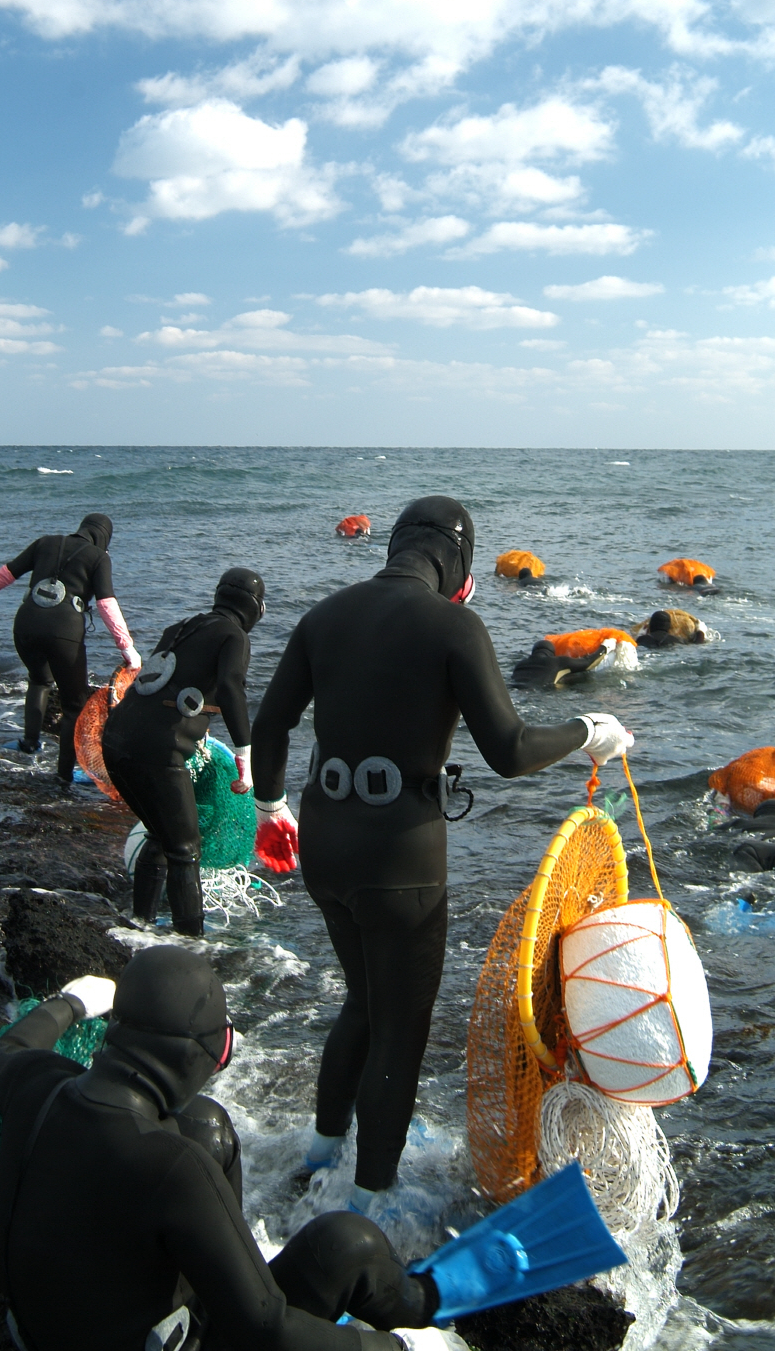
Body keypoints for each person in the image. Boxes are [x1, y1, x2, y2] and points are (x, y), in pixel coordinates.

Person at [250, 496, 634, 1209]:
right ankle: (365, 1207)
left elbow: (270, 723)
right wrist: (589, 728)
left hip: (324, 843)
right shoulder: (454, 624)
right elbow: (510, 751)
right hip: (400, 854)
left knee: (360, 1003)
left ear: (393, 546)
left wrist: (271, 811)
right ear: (457, 562)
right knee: (399, 1027)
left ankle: (317, 1157)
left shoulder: (324, 616)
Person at [0, 945, 488, 1351]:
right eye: (221, 1052)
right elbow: (266, 1333)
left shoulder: (34, 1084)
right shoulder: (173, 1168)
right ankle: (426, 1312)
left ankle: (233, 1276)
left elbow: (3, 1052)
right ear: (195, 1054)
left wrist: (72, 1002)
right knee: (347, 1247)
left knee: (205, 1122)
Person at [100, 568, 262, 937]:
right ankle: (193, 943)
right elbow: (231, 689)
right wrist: (244, 760)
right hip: (159, 751)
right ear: (255, 608)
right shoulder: (233, 635)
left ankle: (138, 923)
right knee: (186, 848)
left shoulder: (179, 629)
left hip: (115, 741)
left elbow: (160, 685)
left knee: (162, 833)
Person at [0, 515, 140, 778]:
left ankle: (29, 743)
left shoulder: (45, 543)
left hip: (25, 626)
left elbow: (5, 574)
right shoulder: (98, 557)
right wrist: (127, 647)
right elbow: (106, 603)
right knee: (74, 705)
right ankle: (63, 777)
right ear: (104, 537)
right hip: (64, 633)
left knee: (39, 680)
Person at [511, 637, 610, 687]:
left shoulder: (520, 665)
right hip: (541, 693)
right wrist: (605, 647)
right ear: (552, 653)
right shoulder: (557, 661)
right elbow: (588, 663)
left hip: (516, 690)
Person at [635, 609, 707, 649]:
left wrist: (640, 635)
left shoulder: (642, 639)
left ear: (650, 626)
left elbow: (635, 645)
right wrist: (700, 631)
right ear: (669, 627)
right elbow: (697, 645)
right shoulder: (678, 641)